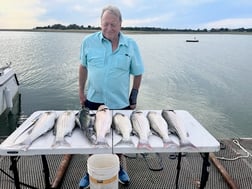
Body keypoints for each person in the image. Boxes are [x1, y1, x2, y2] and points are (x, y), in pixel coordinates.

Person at [78, 5, 144, 189]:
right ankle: (89, 171)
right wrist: (81, 92)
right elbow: (83, 67)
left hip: (120, 103)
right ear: (100, 23)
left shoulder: (131, 45)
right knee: (92, 136)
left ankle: (119, 168)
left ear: (121, 24)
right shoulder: (88, 42)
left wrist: (134, 96)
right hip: (93, 100)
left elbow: (138, 73)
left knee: (118, 140)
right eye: (105, 24)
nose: (109, 28)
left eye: (113, 24)